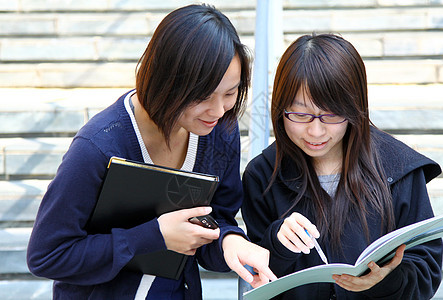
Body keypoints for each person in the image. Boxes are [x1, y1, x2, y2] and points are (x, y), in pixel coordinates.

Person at [27, 4, 276, 299]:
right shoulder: (97, 147)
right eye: (203, 96)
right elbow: (48, 254)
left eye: (231, 93)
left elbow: (215, 219)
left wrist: (229, 241)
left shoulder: (219, 131)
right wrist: (152, 236)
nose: (219, 110)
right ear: (167, 81)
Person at [241, 33, 443, 299]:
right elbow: (255, 278)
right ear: (280, 109)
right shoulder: (263, 175)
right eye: (300, 114)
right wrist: (278, 243)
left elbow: (426, 271)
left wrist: (386, 280)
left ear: (354, 107)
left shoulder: (398, 167)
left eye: (332, 114)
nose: (315, 131)